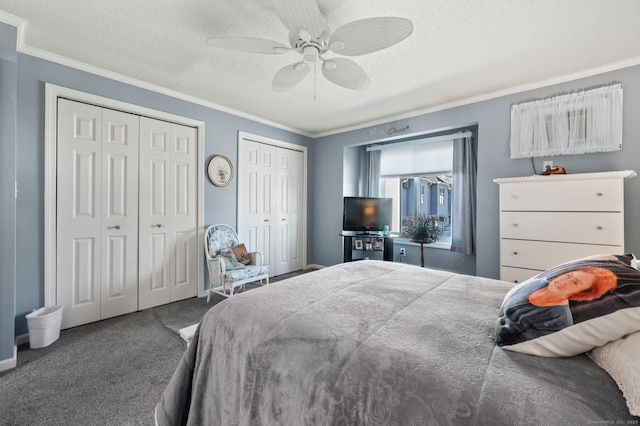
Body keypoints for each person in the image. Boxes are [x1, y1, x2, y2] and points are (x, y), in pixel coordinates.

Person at [496, 267, 617, 346]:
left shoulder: (558, 321)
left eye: (575, 283)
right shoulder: (539, 283)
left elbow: (509, 340)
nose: (563, 281)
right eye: (569, 275)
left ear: (580, 294)